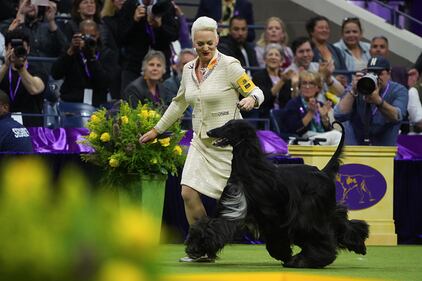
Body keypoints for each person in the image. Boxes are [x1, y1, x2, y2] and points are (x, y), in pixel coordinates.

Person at [139, 16, 264, 262]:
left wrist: (252, 99)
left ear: (217, 39)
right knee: (187, 193)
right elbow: (179, 103)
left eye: (209, 43)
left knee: (245, 204)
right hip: (200, 142)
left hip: (227, 147)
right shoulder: (187, 69)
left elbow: (255, 90)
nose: (205, 48)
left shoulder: (230, 65)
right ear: (193, 43)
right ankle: (203, 248)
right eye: (200, 44)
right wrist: (156, 130)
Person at [334, 57, 408, 146]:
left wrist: (378, 101)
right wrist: (353, 91)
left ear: (389, 74)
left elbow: (397, 116)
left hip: (384, 149)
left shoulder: (398, 90)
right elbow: (339, 115)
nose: (375, 77)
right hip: (356, 147)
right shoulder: (359, 85)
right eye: (371, 72)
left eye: (379, 73)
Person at [51, 20, 116, 107]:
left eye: (92, 36)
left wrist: (92, 58)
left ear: (98, 35)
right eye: (85, 36)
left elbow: (104, 83)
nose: (89, 39)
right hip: (71, 101)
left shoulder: (106, 53)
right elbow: (56, 74)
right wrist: (70, 52)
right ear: (79, 35)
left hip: (96, 103)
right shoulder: (70, 50)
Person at [118, 0, 179, 90]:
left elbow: (174, 35)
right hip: (133, 66)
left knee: (162, 102)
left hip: (160, 65)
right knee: (130, 101)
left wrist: (159, 27)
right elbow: (120, 37)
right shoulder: (129, 4)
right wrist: (134, 20)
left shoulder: (166, 5)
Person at [4, 0, 67, 74]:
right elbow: (6, 45)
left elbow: (65, 49)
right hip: (24, 73)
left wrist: (51, 21)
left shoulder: (48, 27)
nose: (31, 5)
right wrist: (20, 15)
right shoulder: (9, 24)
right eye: (27, 3)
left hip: (50, 73)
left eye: (34, 2)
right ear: (17, 7)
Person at [280, 70, 341, 145]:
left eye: (311, 83)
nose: (307, 86)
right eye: (304, 83)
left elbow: (327, 130)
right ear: (300, 87)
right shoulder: (293, 104)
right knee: (336, 135)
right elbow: (293, 129)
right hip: (301, 140)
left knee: (338, 135)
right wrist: (311, 113)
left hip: (319, 137)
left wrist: (324, 118)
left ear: (318, 88)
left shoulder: (320, 104)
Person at [0, 29, 46, 126]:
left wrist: (20, 67)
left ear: (28, 49)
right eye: (13, 47)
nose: (16, 50)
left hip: (32, 126)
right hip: (4, 126)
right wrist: (6, 65)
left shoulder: (38, 70)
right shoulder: (3, 71)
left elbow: (34, 89)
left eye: (21, 48)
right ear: (6, 49)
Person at [285, 37, 344, 103]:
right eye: (301, 51)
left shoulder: (318, 66)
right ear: (294, 55)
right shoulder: (289, 72)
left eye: (308, 50)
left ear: (313, 52)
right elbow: (296, 99)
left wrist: (328, 78)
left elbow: (341, 93)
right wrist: (321, 76)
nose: (305, 54)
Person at [249, 43, 294, 121]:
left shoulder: (285, 78)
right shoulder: (258, 76)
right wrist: (281, 81)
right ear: (264, 60)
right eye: (270, 55)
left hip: (283, 118)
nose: (273, 57)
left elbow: (289, 101)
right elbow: (264, 99)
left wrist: (295, 84)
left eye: (277, 55)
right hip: (265, 118)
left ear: (282, 61)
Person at [305, 16, 348, 85]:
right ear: (311, 31)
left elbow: (345, 72)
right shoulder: (307, 51)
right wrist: (333, 79)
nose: (324, 30)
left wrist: (344, 80)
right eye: (321, 28)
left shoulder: (336, 50)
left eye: (327, 28)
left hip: (339, 90)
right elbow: (308, 74)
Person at [162, 48, 196, 128]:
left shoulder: (202, 83)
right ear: (177, 66)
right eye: (185, 63)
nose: (189, 67)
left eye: (192, 63)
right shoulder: (169, 85)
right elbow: (177, 112)